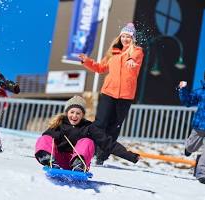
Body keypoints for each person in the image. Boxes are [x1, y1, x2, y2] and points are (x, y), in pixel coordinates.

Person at [79, 22, 144, 165]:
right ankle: (91, 150)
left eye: (128, 37)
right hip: (108, 92)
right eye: (123, 36)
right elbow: (100, 68)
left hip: (125, 96)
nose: (125, 39)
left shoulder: (137, 51)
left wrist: (132, 60)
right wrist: (87, 61)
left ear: (132, 38)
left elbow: (135, 57)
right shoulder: (113, 52)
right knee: (100, 124)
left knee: (114, 127)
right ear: (120, 37)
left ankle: (102, 156)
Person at [35, 96, 140, 172]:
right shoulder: (59, 125)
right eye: (72, 112)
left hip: (79, 161)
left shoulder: (89, 127)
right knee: (45, 137)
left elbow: (108, 143)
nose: (74, 116)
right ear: (67, 113)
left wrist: (131, 156)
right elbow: (46, 142)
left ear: (82, 115)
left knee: (87, 141)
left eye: (78, 113)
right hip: (57, 160)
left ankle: (78, 164)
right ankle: (47, 159)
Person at [178, 70, 205, 184]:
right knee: (191, 146)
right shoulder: (201, 92)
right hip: (200, 125)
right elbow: (188, 101)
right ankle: (188, 148)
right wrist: (183, 89)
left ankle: (202, 173)